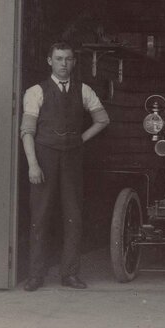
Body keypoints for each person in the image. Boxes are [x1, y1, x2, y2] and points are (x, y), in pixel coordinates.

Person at [20, 42, 110, 291]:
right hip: (44, 158)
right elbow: (27, 131)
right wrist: (33, 165)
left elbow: (102, 119)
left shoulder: (84, 90)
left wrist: (81, 138)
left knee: (73, 216)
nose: (63, 64)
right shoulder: (36, 91)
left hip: (72, 158)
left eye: (68, 59)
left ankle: (69, 274)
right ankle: (35, 275)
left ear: (74, 62)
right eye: (58, 59)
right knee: (40, 216)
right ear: (49, 60)